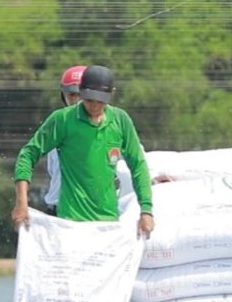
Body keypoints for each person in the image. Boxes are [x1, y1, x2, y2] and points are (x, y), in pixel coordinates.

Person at [11, 65, 155, 237]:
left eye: (100, 101)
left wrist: (146, 210)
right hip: (68, 220)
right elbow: (28, 154)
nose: (94, 106)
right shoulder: (63, 120)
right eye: (89, 100)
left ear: (111, 95)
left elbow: (138, 165)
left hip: (107, 221)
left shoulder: (120, 121)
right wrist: (22, 202)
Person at [43, 66, 87, 216]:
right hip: (57, 210)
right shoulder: (56, 124)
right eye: (70, 95)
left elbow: (135, 161)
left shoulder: (110, 126)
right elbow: (52, 170)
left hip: (90, 213)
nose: (75, 100)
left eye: (80, 95)